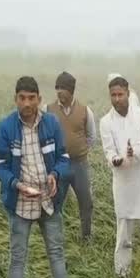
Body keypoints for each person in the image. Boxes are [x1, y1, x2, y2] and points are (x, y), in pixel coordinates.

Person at [0, 76, 72, 278]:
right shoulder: (5, 127)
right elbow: (0, 166)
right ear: (15, 99)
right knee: (18, 259)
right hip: (20, 203)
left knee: (56, 253)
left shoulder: (51, 123)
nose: (27, 103)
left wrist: (55, 175)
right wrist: (17, 185)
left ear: (39, 99)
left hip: (49, 200)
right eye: (22, 98)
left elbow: (63, 158)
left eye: (31, 98)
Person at [99, 76, 140, 277]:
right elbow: (108, 151)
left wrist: (133, 153)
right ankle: (122, 274)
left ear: (128, 93)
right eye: (113, 95)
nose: (117, 99)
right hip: (124, 182)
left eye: (120, 94)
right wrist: (115, 160)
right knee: (124, 230)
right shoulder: (105, 122)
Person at [43, 72, 96, 242]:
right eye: (57, 88)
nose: (59, 92)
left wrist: (80, 149)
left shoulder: (85, 110)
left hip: (79, 164)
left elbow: (91, 136)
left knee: (85, 202)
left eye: (63, 88)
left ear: (71, 90)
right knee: (55, 202)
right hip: (59, 165)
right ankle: (54, 238)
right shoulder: (48, 110)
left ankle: (86, 238)